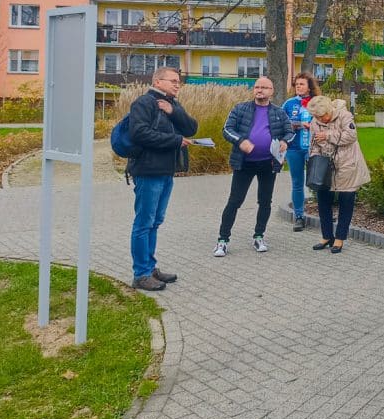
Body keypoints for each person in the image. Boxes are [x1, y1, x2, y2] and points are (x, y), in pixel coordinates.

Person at [126, 67, 198, 291]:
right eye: (173, 81)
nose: (177, 85)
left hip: (166, 171)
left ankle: (150, 267)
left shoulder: (171, 104)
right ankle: (141, 274)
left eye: (179, 82)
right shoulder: (144, 103)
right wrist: (175, 140)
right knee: (144, 222)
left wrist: (173, 112)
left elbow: (191, 128)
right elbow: (138, 133)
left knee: (155, 221)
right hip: (148, 171)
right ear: (157, 81)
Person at [213, 78, 294, 257]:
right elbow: (227, 130)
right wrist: (241, 141)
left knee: (265, 202)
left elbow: (290, 132)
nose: (259, 90)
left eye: (264, 87)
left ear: (271, 91)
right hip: (244, 163)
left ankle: (259, 236)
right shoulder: (240, 109)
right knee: (235, 201)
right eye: (257, 87)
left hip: (268, 163)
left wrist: (284, 141)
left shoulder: (279, 113)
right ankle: (222, 240)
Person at [305, 95, 370, 254]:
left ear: (329, 110)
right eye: (317, 117)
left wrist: (328, 135)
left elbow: (351, 136)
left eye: (322, 116)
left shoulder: (344, 115)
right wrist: (314, 157)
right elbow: (313, 143)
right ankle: (326, 236)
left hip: (347, 165)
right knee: (323, 201)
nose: (320, 119)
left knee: (346, 202)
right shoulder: (315, 121)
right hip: (326, 167)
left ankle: (340, 238)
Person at [282, 72, 320, 231]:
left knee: (319, 182)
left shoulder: (317, 102)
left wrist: (311, 125)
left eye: (302, 84)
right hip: (294, 149)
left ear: (309, 87)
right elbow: (281, 123)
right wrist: (294, 124)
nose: (298, 87)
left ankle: (324, 212)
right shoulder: (289, 104)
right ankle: (299, 216)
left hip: (313, 148)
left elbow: (326, 120)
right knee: (297, 183)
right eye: (296, 84)